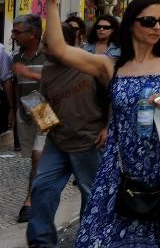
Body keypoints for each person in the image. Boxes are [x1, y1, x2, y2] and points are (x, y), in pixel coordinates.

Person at [39, 0, 160, 247]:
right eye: (148, 21)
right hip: (119, 168)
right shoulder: (111, 66)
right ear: (131, 24)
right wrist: (51, 1)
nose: (157, 27)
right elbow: (59, 49)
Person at [27, 22, 107, 248]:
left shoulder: (89, 63)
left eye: (49, 45)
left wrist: (108, 127)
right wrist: (41, 117)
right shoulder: (48, 68)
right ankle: (41, 241)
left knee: (91, 195)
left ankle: (89, 240)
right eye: (44, 44)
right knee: (42, 187)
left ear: (67, 44)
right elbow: (42, 102)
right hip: (57, 142)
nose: (43, 49)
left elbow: (113, 94)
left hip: (90, 141)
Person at [11, 13, 46, 223]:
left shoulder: (48, 54)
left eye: (17, 32)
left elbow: (59, 79)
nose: (13, 36)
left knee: (37, 156)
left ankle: (30, 201)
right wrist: (13, 111)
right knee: (36, 158)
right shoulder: (17, 56)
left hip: (45, 108)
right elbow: (17, 86)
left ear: (32, 34)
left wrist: (32, 74)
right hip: (25, 109)